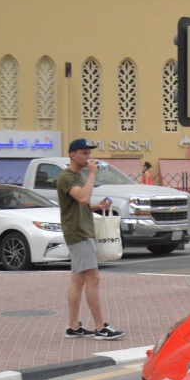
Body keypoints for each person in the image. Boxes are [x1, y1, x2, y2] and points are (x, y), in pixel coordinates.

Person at [57, 138, 124, 340]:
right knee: (93, 279)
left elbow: (80, 203)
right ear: (72, 155)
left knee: (78, 280)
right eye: (84, 153)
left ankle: (73, 326)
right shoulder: (67, 177)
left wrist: (97, 207)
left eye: (89, 153)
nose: (88, 157)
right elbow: (82, 198)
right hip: (78, 233)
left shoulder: (77, 177)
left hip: (81, 231)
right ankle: (100, 327)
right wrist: (93, 174)